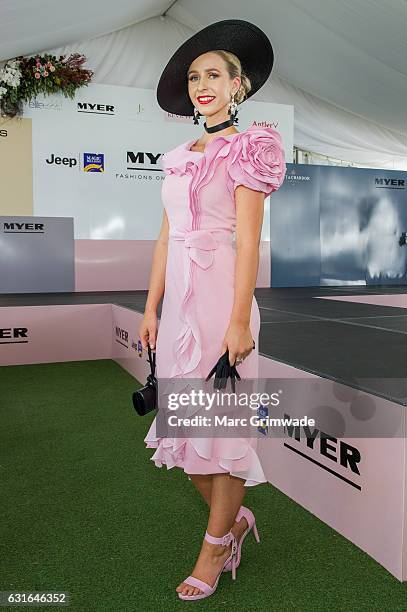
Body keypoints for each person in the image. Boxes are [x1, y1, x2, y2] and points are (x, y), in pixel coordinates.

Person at [139, 19, 286, 601]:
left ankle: (213, 547)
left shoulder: (251, 149)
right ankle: (234, 524)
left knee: (220, 435)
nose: (202, 84)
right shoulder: (179, 156)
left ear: (237, 86)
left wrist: (239, 320)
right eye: (194, 76)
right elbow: (163, 238)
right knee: (189, 440)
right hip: (178, 308)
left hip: (223, 304)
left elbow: (248, 242)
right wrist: (150, 308)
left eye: (213, 74)